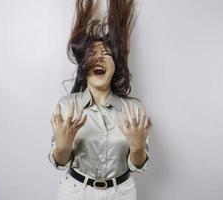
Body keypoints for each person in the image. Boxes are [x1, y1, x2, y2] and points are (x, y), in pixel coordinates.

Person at [48, 0, 153, 199]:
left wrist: (138, 147)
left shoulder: (134, 109)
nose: (100, 58)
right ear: (83, 65)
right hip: (76, 192)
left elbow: (139, 166)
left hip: (121, 193)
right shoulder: (67, 106)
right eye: (92, 54)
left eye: (106, 54)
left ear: (115, 66)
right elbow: (60, 162)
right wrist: (63, 146)